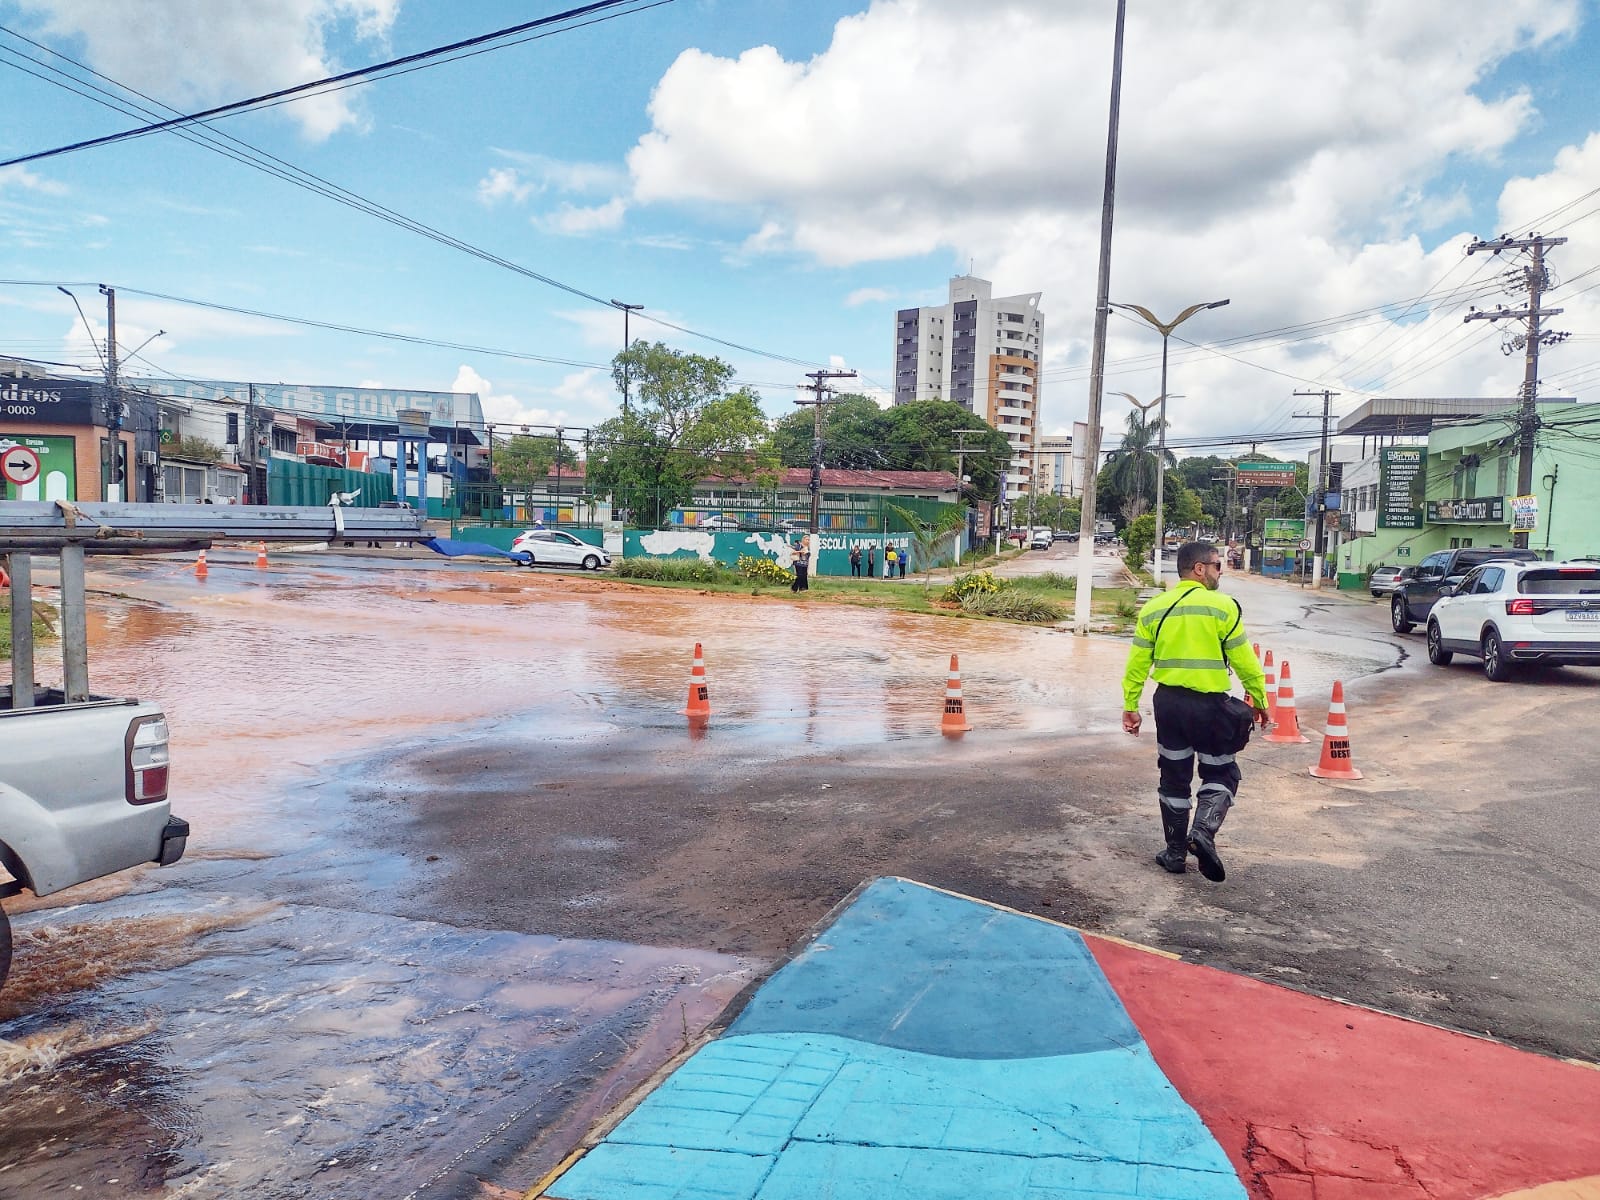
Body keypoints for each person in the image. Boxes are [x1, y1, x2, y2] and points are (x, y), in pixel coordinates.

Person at [1121, 541, 1269, 883]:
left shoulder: (1154, 608)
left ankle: (1174, 854)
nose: (1221, 572)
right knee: (1222, 773)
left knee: (1174, 777)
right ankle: (1202, 831)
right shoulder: (1222, 607)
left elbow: (1137, 663)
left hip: (1168, 705)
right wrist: (1259, 698)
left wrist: (1131, 705)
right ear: (1199, 569)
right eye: (1218, 565)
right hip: (1210, 706)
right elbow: (1244, 659)